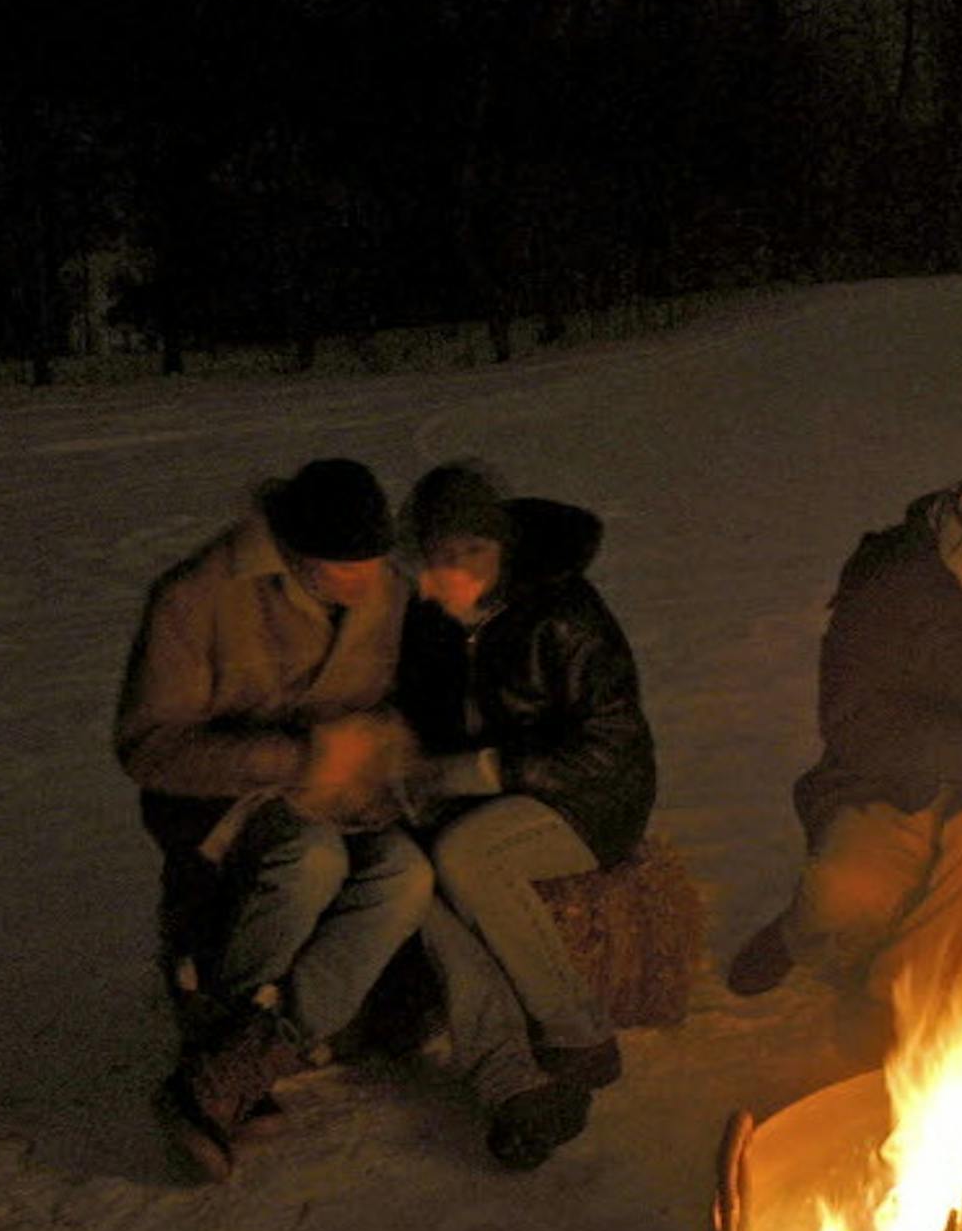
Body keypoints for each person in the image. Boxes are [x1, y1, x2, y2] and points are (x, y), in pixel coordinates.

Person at [115, 457, 434, 1177]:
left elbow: (391, 699)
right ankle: (221, 1039)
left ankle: (239, 1059)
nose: (368, 585)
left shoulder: (384, 589)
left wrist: (382, 744)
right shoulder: (198, 597)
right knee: (309, 861)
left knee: (406, 875)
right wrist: (296, 758)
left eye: (376, 565)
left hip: (343, 791)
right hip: (225, 798)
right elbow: (148, 745)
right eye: (344, 569)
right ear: (293, 555)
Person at [726, 442, 962, 1040]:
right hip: (882, 779)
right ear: (959, 505)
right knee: (851, 892)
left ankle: (897, 996)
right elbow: (856, 718)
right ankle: (797, 931)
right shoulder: (893, 579)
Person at [394, 463, 658, 1168]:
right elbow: (419, 715)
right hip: (481, 797)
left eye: (473, 553)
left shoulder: (564, 614)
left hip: (586, 797)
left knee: (471, 856)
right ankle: (509, 1073)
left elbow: (608, 742)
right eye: (441, 557)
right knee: (413, 877)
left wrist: (485, 771)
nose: (457, 572)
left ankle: (579, 1030)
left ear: (503, 546)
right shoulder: (428, 619)